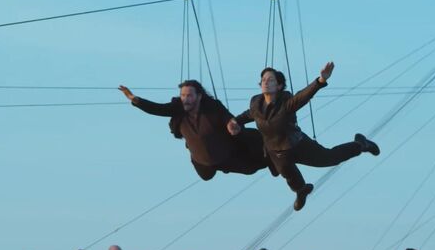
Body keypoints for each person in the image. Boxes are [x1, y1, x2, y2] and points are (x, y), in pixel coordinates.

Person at [228, 62, 380, 211]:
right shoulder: (256, 104)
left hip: (298, 145)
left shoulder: (287, 102)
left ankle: (361, 144)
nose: (266, 82)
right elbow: (250, 115)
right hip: (276, 151)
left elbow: (302, 96)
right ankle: (302, 190)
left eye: (271, 79)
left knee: (330, 158)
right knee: (288, 174)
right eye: (263, 80)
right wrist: (236, 121)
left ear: (279, 86)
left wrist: (321, 80)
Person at [119, 81, 277, 181]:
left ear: (199, 97)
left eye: (189, 96)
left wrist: (231, 124)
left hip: (225, 156)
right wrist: (134, 98)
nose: (185, 99)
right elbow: (157, 109)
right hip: (203, 162)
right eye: (182, 95)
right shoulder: (177, 109)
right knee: (206, 176)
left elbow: (226, 116)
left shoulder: (212, 107)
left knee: (250, 166)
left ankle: (272, 159)